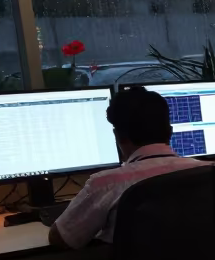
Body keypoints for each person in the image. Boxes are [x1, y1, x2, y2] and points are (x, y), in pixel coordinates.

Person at [49, 86, 201, 249]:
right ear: (170, 132)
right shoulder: (212, 173)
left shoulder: (106, 183)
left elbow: (61, 239)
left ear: (118, 136)